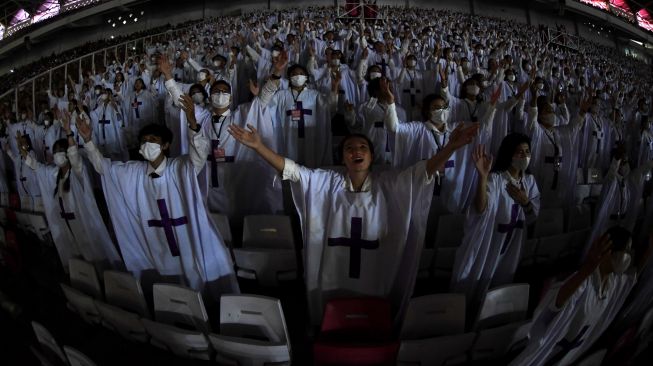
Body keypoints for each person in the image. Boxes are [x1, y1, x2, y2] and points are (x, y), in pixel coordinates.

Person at [228, 119, 480, 325]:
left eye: (362, 147)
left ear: (371, 156)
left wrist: (451, 147)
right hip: (333, 269)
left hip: (377, 268)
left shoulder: (389, 185)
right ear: (343, 158)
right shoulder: (326, 183)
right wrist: (258, 147)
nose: (356, 151)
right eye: (349, 148)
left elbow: (422, 173)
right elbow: (293, 171)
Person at [75, 92, 238, 298]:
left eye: (153, 139)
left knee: (194, 281)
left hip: (184, 238)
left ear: (166, 145)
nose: (147, 143)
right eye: (144, 140)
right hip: (155, 242)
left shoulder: (179, 167)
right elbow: (103, 167)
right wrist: (88, 141)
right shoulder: (133, 171)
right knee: (165, 289)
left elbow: (198, 155)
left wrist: (192, 124)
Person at [509, 227, 650, 366]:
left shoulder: (613, 283)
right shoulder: (582, 283)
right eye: (626, 250)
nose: (628, 256)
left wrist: (649, 250)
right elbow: (556, 303)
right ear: (608, 251)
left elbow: (633, 276)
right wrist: (588, 267)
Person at [18, 112, 122, 272]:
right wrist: (21, 149)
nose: (58, 154)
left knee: (94, 261)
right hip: (67, 226)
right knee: (76, 261)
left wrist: (68, 132)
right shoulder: (53, 174)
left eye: (61, 150)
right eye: (55, 151)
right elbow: (35, 165)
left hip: (83, 225)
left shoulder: (77, 173)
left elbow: (75, 158)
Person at [451, 134, 540, 310]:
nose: (524, 156)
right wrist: (483, 177)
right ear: (509, 154)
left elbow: (533, 216)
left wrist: (525, 202)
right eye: (519, 152)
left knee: (499, 293)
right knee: (475, 291)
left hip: (512, 248)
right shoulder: (497, 179)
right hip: (490, 245)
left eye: (527, 152)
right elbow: (481, 209)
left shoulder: (529, 182)